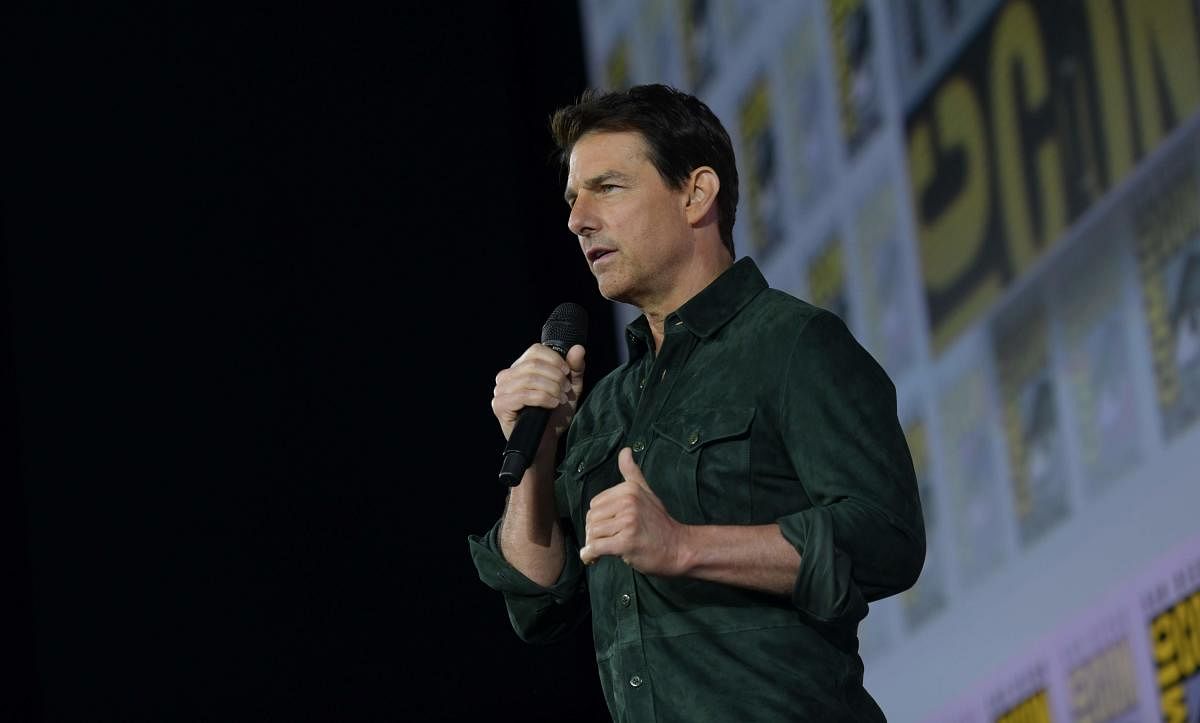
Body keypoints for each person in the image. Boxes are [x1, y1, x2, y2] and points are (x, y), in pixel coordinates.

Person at [468, 84, 925, 722]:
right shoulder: (605, 406)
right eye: (573, 199)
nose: (577, 220)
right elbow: (539, 597)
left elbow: (887, 540)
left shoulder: (792, 344)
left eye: (608, 187)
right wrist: (537, 449)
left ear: (696, 193)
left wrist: (686, 546)